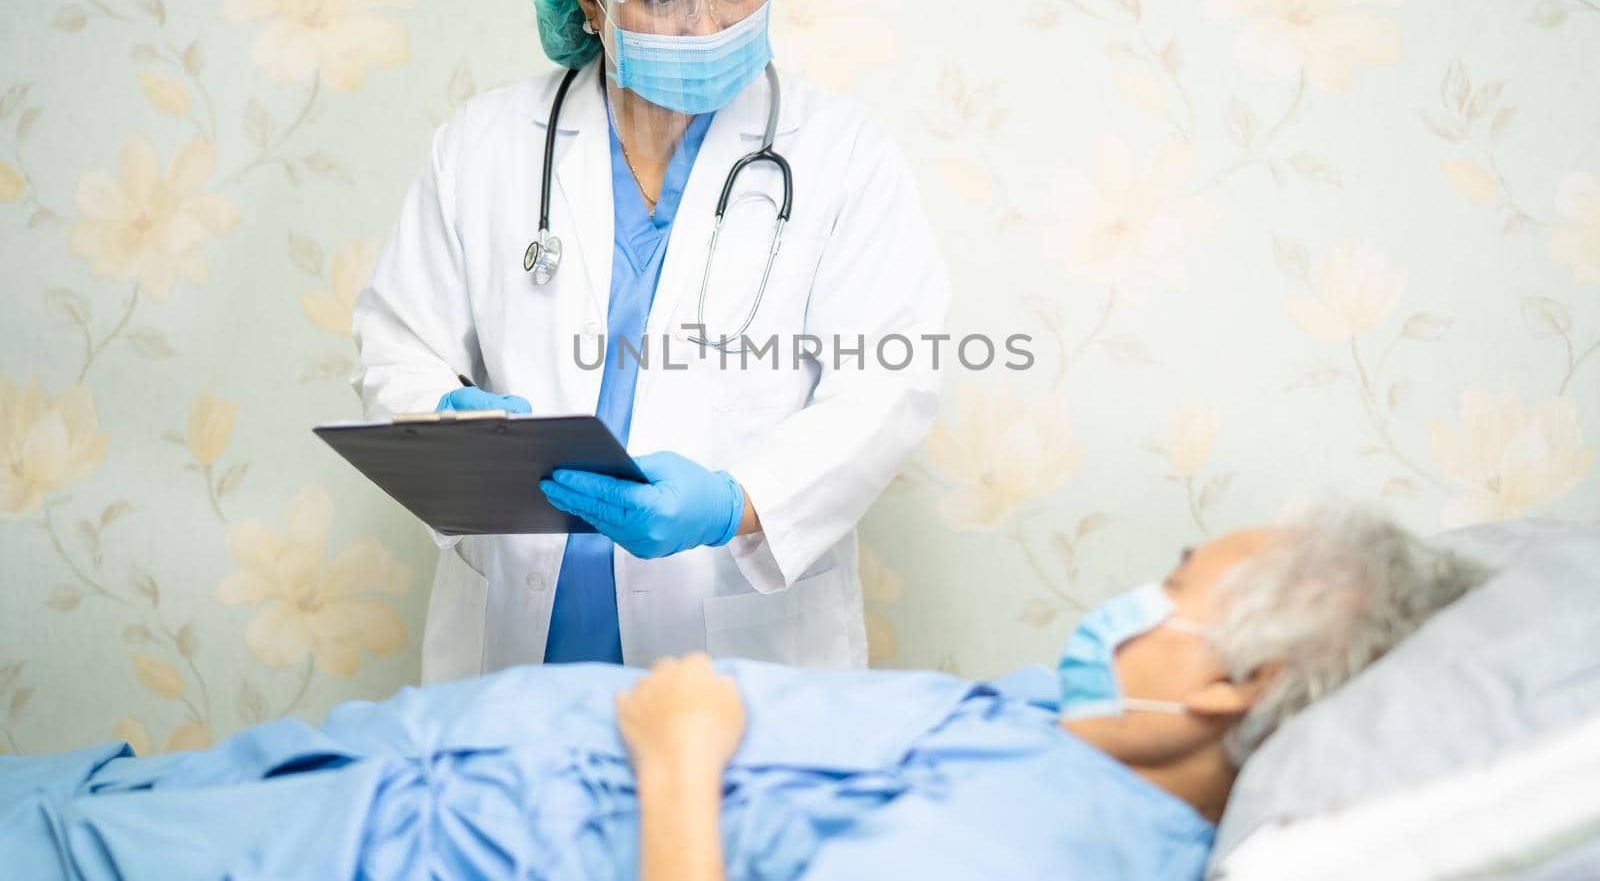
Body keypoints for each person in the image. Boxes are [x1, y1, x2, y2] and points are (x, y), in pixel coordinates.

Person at [0, 506, 1485, 880]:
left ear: (1248, 682)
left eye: (1173, 582)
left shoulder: (1033, 843)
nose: (1129, 600)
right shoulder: (1078, 731)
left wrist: (679, 750)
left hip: (396, 846)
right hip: (353, 774)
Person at [349, 0, 948, 681]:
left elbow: (892, 381)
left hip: (746, 651)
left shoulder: (841, 154)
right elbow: (397, 346)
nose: (705, 25)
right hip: (519, 646)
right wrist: (446, 420)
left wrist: (734, 503)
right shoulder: (484, 146)